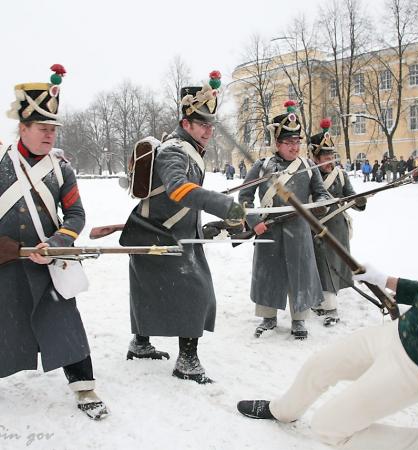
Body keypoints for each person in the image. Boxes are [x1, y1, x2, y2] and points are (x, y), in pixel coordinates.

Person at [120, 71, 245, 384]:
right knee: (195, 289)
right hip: (158, 231)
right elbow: (178, 189)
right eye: (202, 124)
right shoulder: (175, 150)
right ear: (186, 122)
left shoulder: (188, 148)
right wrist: (224, 206)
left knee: (148, 289)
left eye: (210, 125)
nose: (207, 131)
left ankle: (140, 342)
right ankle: (187, 361)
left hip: (171, 229)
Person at [237, 267, 418, 450]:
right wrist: (385, 280)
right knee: (319, 366)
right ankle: (283, 411)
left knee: (327, 427)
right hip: (398, 332)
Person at [0, 65, 108, 420]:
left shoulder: (61, 168)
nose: (49, 135)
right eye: (42, 128)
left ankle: (84, 385)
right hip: (5, 262)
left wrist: (58, 241)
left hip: (49, 262)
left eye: (52, 129)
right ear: (23, 127)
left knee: (64, 322)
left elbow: (75, 215)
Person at [238, 102, 329, 340]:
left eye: (297, 142)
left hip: (299, 231)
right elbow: (244, 198)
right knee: (269, 274)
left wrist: (320, 206)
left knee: (300, 275)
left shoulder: (309, 166)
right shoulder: (262, 166)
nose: (294, 147)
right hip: (268, 230)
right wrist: (254, 221)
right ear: (277, 144)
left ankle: (299, 320)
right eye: (289, 142)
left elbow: (321, 194)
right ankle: (268, 318)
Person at [309, 123, 367, 326]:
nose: (330, 161)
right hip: (315, 228)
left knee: (331, 267)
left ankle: (331, 307)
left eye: (332, 156)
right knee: (319, 267)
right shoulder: (307, 175)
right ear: (315, 158)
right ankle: (321, 302)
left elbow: (353, 198)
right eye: (326, 158)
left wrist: (360, 201)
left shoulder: (340, 175)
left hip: (337, 229)